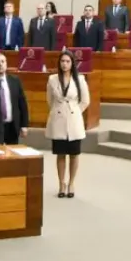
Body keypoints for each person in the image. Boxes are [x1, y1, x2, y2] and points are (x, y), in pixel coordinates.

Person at [47, 50, 90, 198]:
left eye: (67, 61)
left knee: (73, 154)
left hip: (73, 119)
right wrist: (58, 110)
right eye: (62, 61)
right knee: (60, 154)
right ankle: (61, 183)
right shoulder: (52, 79)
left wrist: (75, 111)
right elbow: (50, 100)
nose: (64, 64)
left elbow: (85, 100)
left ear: (72, 63)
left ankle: (71, 183)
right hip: (58, 119)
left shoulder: (80, 79)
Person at [0, 52, 29, 145]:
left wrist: (24, 125)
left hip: (12, 126)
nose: (0, 64)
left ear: (6, 64)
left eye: (3, 61)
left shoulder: (15, 81)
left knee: (12, 155)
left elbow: (22, 104)